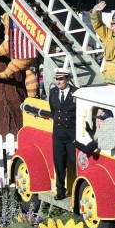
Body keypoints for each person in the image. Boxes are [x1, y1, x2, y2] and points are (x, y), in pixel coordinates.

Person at [49, 68, 77, 200]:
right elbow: (53, 111)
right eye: (57, 79)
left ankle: (77, 193)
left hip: (72, 135)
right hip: (58, 135)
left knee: (75, 165)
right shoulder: (53, 92)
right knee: (59, 165)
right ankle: (60, 190)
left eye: (61, 79)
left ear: (67, 79)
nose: (58, 82)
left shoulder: (76, 92)